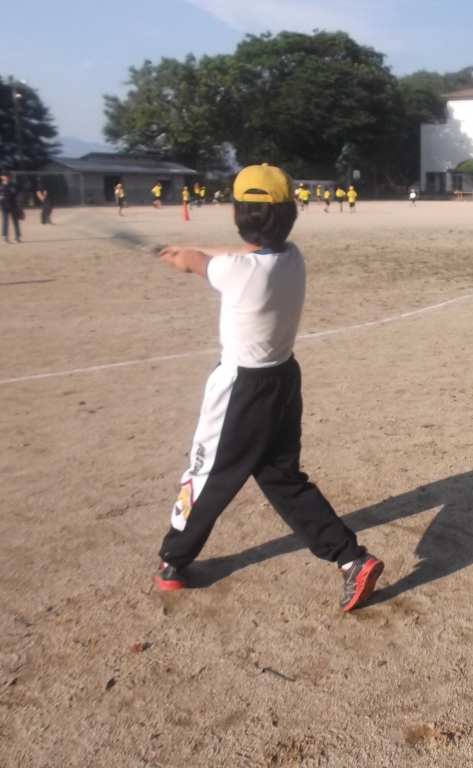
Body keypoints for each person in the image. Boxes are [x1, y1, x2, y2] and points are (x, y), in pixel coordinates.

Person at [152, 163, 384, 612]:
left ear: (236, 214)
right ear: (290, 214)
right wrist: (191, 251)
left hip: (240, 390)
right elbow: (230, 257)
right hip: (283, 381)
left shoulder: (232, 270)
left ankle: (173, 560)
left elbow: (199, 263)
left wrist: (183, 256)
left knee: (205, 474)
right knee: (282, 477)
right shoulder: (291, 257)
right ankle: (350, 558)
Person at [0, 170, 21, 243]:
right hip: (4, 204)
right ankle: (5, 236)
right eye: (4, 175)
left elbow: (18, 193)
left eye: (6, 175)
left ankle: (17, 237)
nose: (5, 177)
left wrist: (19, 204)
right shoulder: (0, 185)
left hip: (13, 204)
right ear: (1, 177)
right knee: (5, 220)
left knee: (15, 220)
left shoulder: (13, 184)